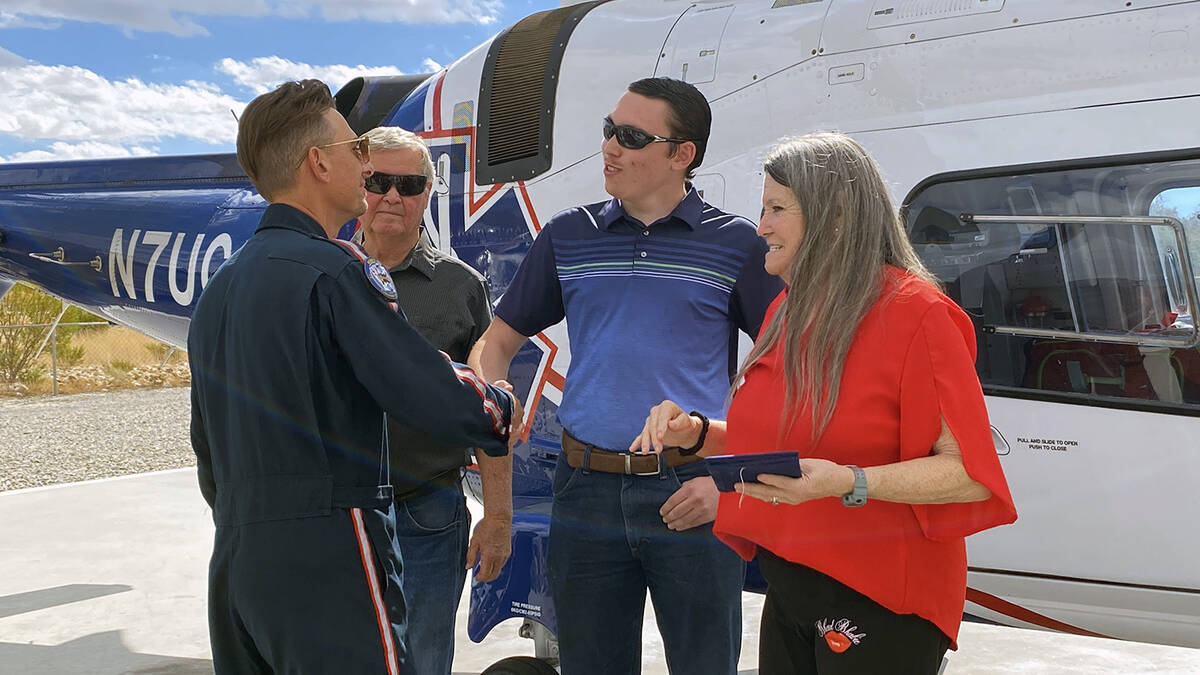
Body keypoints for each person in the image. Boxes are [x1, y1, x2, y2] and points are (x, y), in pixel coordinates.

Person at [631, 132, 1018, 675]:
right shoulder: (787, 310)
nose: (761, 227)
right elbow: (789, 444)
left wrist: (848, 482)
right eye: (763, 209)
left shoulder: (918, 314)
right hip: (791, 582)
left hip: (880, 596)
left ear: (834, 218)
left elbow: (968, 474)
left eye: (777, 209)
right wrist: (695, 433)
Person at [187, 80, 522, 675]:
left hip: (237, 560)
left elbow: (208, 446)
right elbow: (424, 388)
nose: (364, 166)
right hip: (330, 558)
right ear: (319, 163)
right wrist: (498, 407)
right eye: (355, 150)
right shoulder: (337, 271)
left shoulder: (222, 286)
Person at [470, 77, 783, 674]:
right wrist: (494, 391)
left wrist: (731, 482)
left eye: (632, 137)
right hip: (583, 492)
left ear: (682, 154)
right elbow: (498, 339)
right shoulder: (569, 235)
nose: (610, 147)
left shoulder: (738, 244)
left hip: (691, 490)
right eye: (609, 130)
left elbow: (791, 370)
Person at [350, 125, 507, 675]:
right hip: (339, 513)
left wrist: (498, 518)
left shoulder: (460, 287)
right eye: (378, 181)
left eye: (410, 184)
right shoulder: (322, 275)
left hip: (429, 513)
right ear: (357, 184)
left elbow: (490, 412)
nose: (393, 196)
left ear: (427, 194)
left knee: (423, 661)